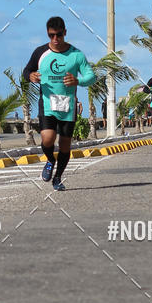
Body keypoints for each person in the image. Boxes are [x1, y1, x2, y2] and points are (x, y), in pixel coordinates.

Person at [23, 16, 95, 191]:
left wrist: (78, 81)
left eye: (59, 35)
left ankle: (58, 178)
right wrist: (30, 76)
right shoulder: (40, 52)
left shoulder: (76, 55)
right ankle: (50, 159)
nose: (55, 39)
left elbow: (91, 76)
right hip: (47, 103)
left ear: (65, 33)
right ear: (48, 34)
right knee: (47, 139)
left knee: (64, 144)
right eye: (51, 35)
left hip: (68, 106)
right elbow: (27, 70)